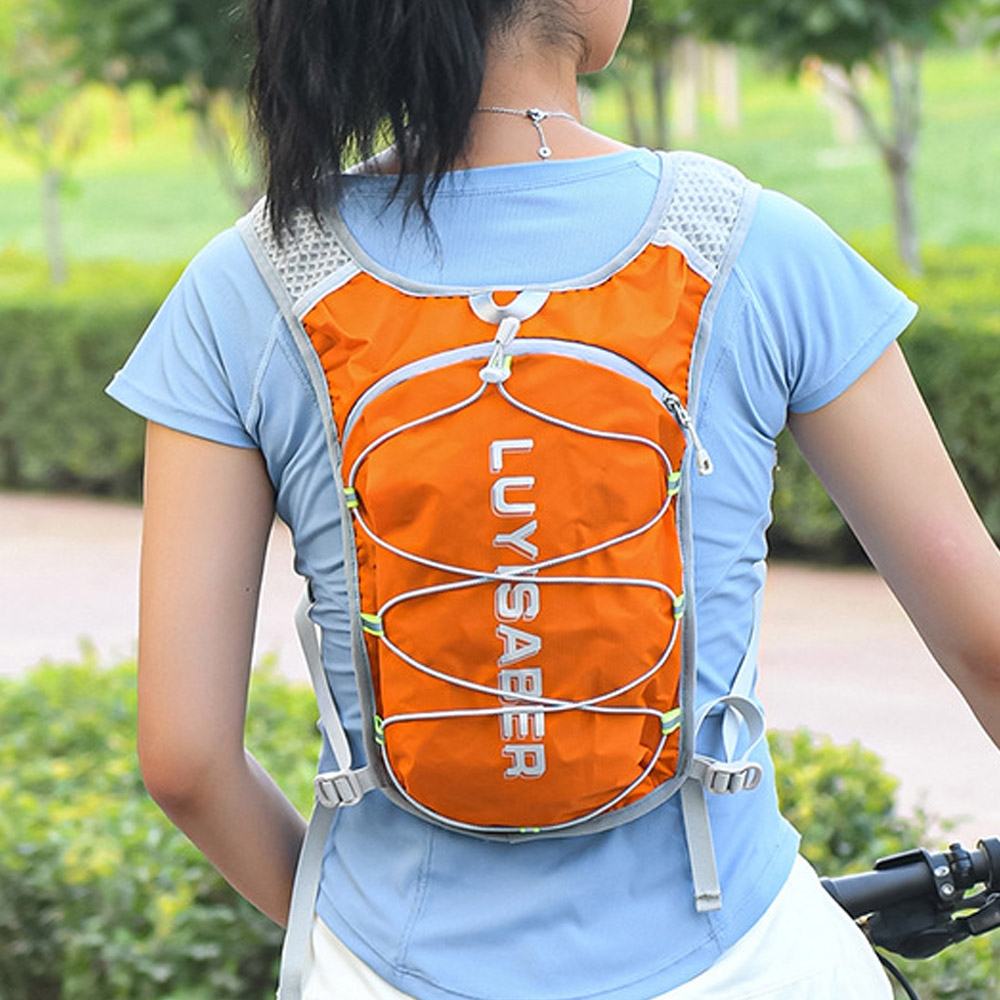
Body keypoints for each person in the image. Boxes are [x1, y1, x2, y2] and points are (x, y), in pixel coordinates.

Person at [106, 1, 1000, 997]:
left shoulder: (248, 282)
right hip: (743, 957)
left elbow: (185, 760)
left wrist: (344, 931)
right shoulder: (748, 244)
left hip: (380, 966)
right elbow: (987, 643)